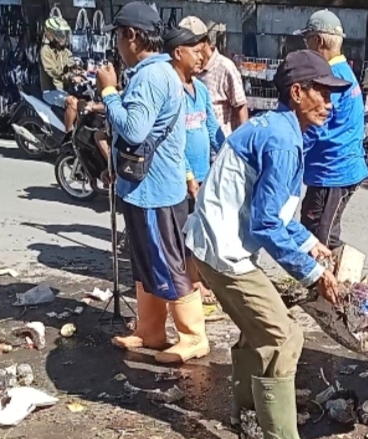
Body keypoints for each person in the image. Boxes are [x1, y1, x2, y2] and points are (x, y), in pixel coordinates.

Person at [183, 50, 346, 439]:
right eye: (321, 93)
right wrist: (313, 274)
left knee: (257, 330)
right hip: (225, 252)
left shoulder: (279, 129)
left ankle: (248, 416)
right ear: (297, 92)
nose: (329, 103)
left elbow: (275, 212)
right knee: (285, 336)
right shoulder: (282, 141)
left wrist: (309, 244)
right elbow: (266, 222)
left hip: (213, 244)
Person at [96, 1, 209, 364]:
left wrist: (109, 92)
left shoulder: (150, 76)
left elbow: (133, 129)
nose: (116, 46)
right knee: (145, 263)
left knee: (167, 262)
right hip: (144, 189)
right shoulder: (160, 71)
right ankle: (151, 330)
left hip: (155, 193)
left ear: (130, 35)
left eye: (118, 37)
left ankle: (193, 336)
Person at [294, 9, 368, 250]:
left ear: (319, 41)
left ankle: (332, 283)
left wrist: (292, 153)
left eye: (307, 40)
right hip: (337, 168)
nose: (306, 47)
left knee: (319, 237)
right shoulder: (344, 71)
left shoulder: (330, 75)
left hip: (333, 172)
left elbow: (316, 123)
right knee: (317, 229)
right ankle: (339, 278)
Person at [163, 25, 224, 306]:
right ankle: (192, 283)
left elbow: (211, 126)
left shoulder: (199, 88)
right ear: (178, 53)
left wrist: (227, 151)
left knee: (200, 231)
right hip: (180, 177)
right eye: (196, 53)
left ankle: (197, 277)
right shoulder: (171, 90)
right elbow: (174, 140)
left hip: (204, 174)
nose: (202, 58)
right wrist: (189, 177)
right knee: (184, 235)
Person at [180, 16, 248, 138]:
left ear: (204, 43)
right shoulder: (185, 68)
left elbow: (241, 106)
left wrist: (243, 143)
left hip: (220, 144)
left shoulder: (225, 67)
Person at [39, 17, 81, 133]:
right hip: (50, 91)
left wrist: (84, 72)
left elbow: (73, 64)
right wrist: (70, 77)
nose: (63, 37)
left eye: (64, 34)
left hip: (63, 91)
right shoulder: (45, 51)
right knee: (72, 102)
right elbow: (52, 71)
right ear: (50, 34)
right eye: (60, 34)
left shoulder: (66, 52)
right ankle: (68, 133)